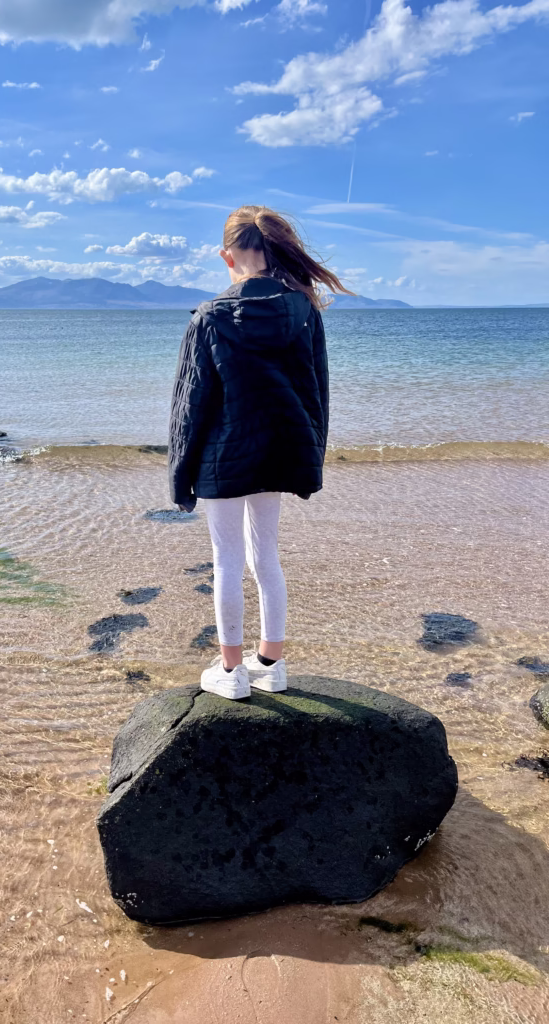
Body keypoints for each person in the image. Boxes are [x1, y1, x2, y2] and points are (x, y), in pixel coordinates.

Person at [168, 205, 351, 700]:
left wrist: (180, 479)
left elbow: (190, 405)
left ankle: (231, 672)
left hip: (223, 457)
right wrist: (310, 457)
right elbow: (317, 390)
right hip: (281, 451)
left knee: (226, 560)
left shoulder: (210, 316)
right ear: (277, 250)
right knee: (265, 555)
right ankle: (271, 663)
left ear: (227, 256)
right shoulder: (304, 310)